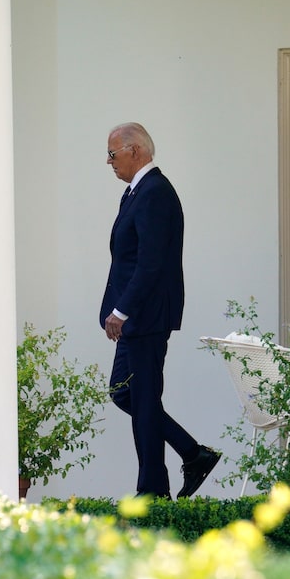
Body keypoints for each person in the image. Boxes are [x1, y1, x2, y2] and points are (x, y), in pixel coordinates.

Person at [99, 122, 220, 500]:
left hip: (145, 317)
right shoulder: (137, 192)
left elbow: (150, 264)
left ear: (135, 151)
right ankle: (192, 454)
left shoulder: (153, 192)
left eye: (113, 154)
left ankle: (152, 490)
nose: (109, 162)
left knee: (142, 398)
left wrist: (121, 311)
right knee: (128, 395)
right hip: (139, 317)